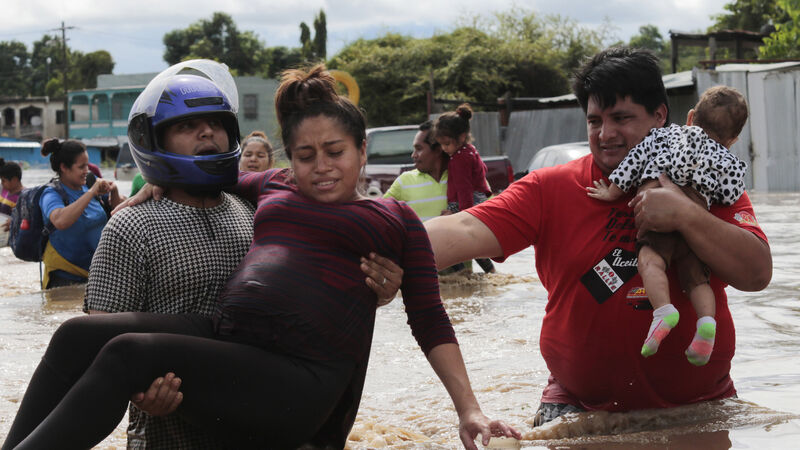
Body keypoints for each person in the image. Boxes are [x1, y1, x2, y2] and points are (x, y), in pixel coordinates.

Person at [3, 63, 519, 450]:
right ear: (289, 160)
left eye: (336, 151)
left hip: (297, 380)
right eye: (305, 155)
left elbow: (430, 318)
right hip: (232, 343)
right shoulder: (272, 188)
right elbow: (203, 167)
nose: (321, 167)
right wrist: (153, 180)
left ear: (363, 151)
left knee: (125, 354)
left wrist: (469, 410)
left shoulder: (393, 220)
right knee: (77, 334)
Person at [424, 47, 771, 426]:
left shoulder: (708, 184)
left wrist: (687, 215)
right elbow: (466, 228)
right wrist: (391, 241)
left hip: (702, 407)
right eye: (594, 121)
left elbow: (757, 274)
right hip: (577, 409)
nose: (605, 134)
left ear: (660, 116)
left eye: (621, 118)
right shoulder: (550, 187)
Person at [84, 59, 403, 449]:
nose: (207, 132)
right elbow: (100, 344)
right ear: (156, 142)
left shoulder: (259, 213)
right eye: (187, 125)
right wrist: (141, 392)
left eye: (216, 123)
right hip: (169, 438)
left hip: (265, 426)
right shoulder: (130, 226)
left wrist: (377, 288)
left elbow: (316, 300)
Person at [586, 85, 749, 366]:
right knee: (697, 281)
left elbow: (634, 161)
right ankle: (706, 323)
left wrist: (612, 192)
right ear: (733, 139)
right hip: (695, 222)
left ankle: (663, 310)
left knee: (650, 261)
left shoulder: (665, 135)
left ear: (691, 117)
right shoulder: (729, 162)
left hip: (657, 209)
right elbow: (730, 195)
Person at [39, 139, 123, 288]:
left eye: (87, 165)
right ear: (64, 167)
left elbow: (118, 214)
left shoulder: (90, 182)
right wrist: (91, 193)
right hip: (64, 276)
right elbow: (60, 221)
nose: (87, 171)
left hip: (97, 273)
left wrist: (114, 191)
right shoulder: (51, 193)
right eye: (81, 167)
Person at [433, 104, 495, 273]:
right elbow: (483, 170)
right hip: (477, 199)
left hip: (466, 202)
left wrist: (463, 215)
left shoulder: (459, 158)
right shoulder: (470, 150)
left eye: (447, 144)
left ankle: (460, 273)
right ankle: (490, 271)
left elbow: (464, 188)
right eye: (441, 145)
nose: (444, 149)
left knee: (447, 237)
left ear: (461, 137)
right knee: (471, 242)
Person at [1, 158, 24, 233]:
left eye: (3, 181)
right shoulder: (3, 190)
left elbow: (28, 220)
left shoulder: (24, 196)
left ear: (14, 180)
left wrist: (15, 222)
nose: (2, 183)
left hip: (11, 234)